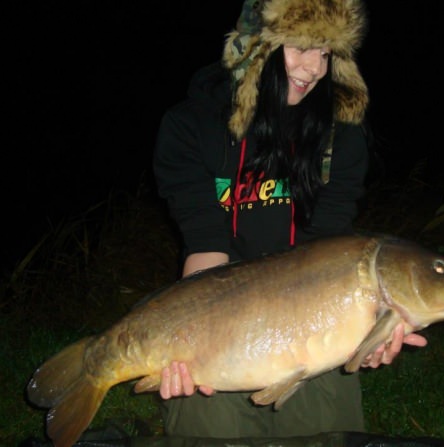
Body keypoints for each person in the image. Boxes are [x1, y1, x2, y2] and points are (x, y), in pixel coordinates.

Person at [152, 0, 427, 439]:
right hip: (224, 316)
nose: (314, 68)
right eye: (300, 47)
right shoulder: (191, 126)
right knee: (205, 421)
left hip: (310, 319)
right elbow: (205, 243)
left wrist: (367, 335)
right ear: (258, 47)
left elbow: (330, 247)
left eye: (326, 53)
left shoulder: (341, 133)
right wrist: (187, 345)